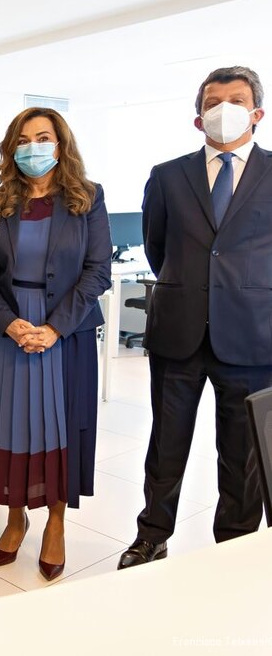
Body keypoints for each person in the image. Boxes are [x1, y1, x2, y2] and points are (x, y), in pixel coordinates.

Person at [118, 66, 272, 569]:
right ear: (198, 117)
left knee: (243, 452)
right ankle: (152, 534)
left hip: (253, 336)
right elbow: (157, 248)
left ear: (257, 112)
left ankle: (235, 544)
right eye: (212, 101)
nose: (223, 108)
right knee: (166, 443)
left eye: (236, 99)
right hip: (178, 332)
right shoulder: (168, 175)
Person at [0, 107, 111, 581]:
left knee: (59, 430)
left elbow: (98, 272)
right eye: (24, 140)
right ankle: (15, 518)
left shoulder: (88, 197)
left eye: (43, 137)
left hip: (65, 331)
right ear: (12, 148)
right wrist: (10, 324)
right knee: (14, 427)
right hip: (9, 330)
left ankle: (55, 523)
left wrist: (54, 328)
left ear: (60, 144)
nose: (34, 148)